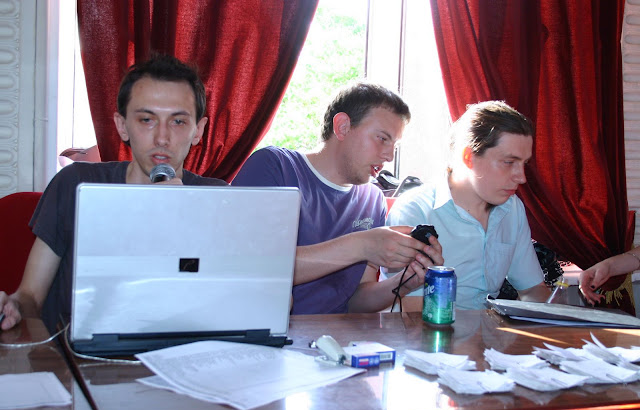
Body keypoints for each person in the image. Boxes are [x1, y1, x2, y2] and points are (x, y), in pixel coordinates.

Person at [0, 54, 227, 332]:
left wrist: (185, 223)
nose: (162, 138)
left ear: (198, 130)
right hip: (78, 353)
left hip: (182, 351)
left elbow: (229, 303)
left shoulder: (218, 200)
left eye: (178, 122)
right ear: (122, 126)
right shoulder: (75, 184)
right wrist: (14, 307)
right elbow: (30, 297)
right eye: (147, 120)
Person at [232, 82, 443, 314]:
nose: (389, 156)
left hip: (337, 334)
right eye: (383, 139)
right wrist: (362, 245)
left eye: (395, 145)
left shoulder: (372, 200)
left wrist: (405, 282)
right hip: (275, 331)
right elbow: (251, 268)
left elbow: (356, 302)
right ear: (342, 127)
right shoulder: (274, 167)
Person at [385, 100, 549, 309]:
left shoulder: (512, 208)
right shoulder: (415, 212)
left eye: (524, 164)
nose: (521, 177)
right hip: (432, 327)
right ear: (468, 157)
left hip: (490, 327)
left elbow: (533, 290)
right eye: (509, 162)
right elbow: (411, 309)